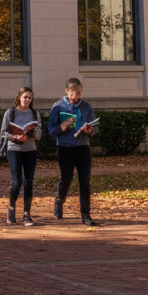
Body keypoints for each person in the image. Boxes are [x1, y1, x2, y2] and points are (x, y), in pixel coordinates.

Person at [47, 77, 100, 226]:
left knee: (85, 182)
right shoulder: (57, 107)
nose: (76, 97)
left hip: (83, 148)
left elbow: (94, 127)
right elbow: (51, 132)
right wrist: (62, 126)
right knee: (67, 179)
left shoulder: (87, 107)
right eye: (72, 94)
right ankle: (59, 201)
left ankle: (85, 215)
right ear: (66, 91)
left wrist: (90, 130)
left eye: (78, 93)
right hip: (65, 148)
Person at [0, 86, 41, 226]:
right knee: (17, 182)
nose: (27, 100)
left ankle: (27, 214)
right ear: (19, 98)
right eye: (25, 97)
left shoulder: (35, 114)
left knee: (29, 182)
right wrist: (15, 136)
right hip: (14, 150)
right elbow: (3, 133)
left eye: (30, 97)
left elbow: (39, 136)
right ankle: (11, 208)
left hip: (30, 150)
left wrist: (33, 132)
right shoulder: (10, 113)